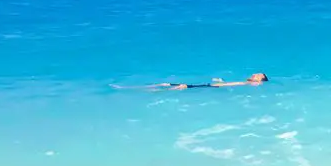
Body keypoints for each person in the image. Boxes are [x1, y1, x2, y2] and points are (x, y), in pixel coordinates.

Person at [114, 73, 268, 91]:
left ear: (259, 79)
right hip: (212, 86)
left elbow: (233, 86)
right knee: (167, 84)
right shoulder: (246, 81)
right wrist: (222, 81)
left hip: (211, 87)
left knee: (181, 87)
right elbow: (230, 85)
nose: (254, 74)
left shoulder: (251, 83)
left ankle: (147, 91)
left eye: (257, 75)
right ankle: (129, 87)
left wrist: (220, 84)